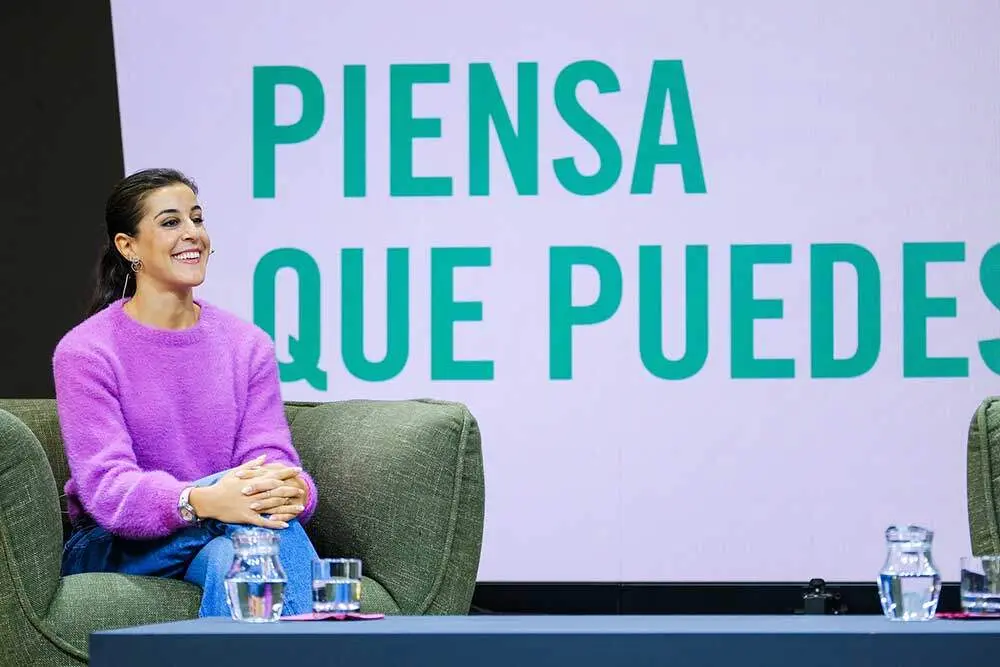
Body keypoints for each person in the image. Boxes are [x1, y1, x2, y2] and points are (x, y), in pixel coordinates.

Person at [53, 167, 320, 617]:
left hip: (229, 525)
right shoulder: (86, 351)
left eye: (197, 218)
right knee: (258, 532)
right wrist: (202, 500)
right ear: (128, 246)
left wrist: (294, 490)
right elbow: (108, 490)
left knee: (245, 553)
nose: (192, 233)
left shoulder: (247, 345)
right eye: (171, 221)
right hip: (116, 541)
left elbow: (269, 455)